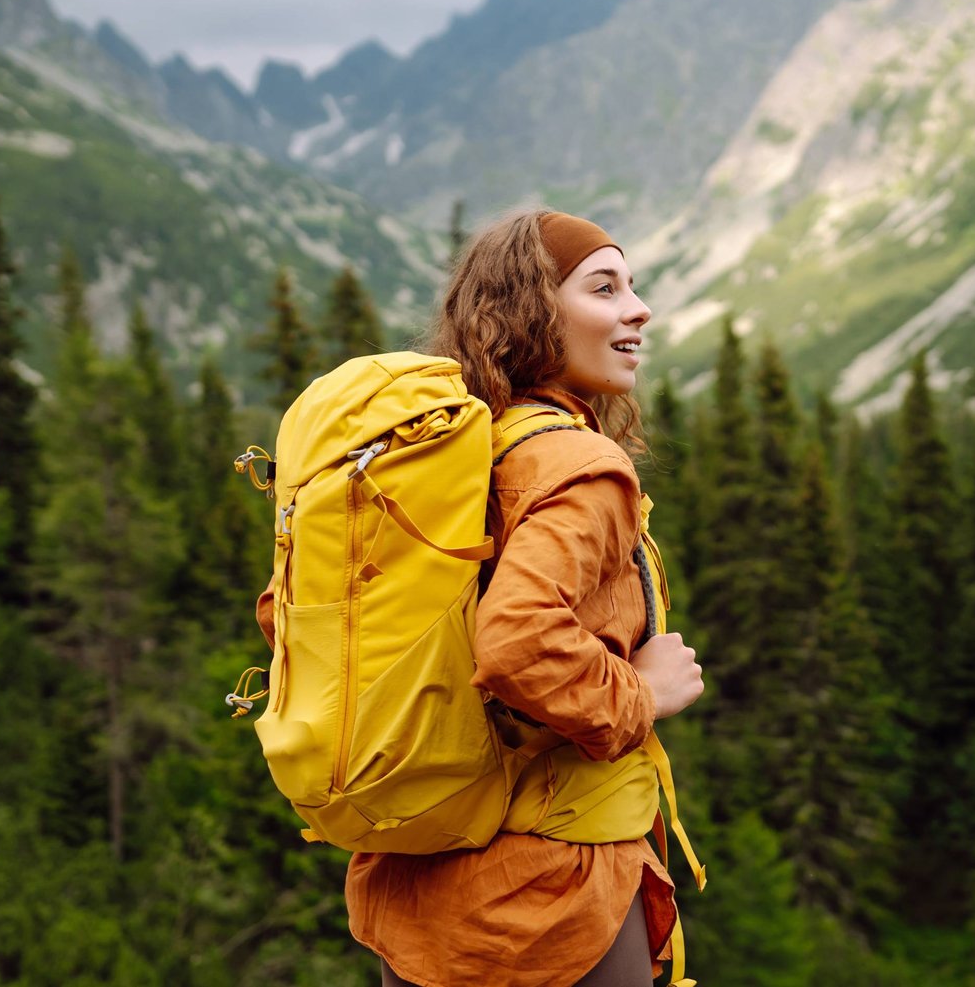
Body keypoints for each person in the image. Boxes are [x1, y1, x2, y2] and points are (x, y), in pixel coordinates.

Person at [256, 209, 706, 986]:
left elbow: (290, 616)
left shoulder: (442, 455)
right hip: (553, 900)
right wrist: (643, 691)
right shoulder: (575, 463)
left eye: (633, 285)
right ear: (534, 311)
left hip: (422, 887)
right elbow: (517, 642)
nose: (639, 308)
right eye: (605, 287)